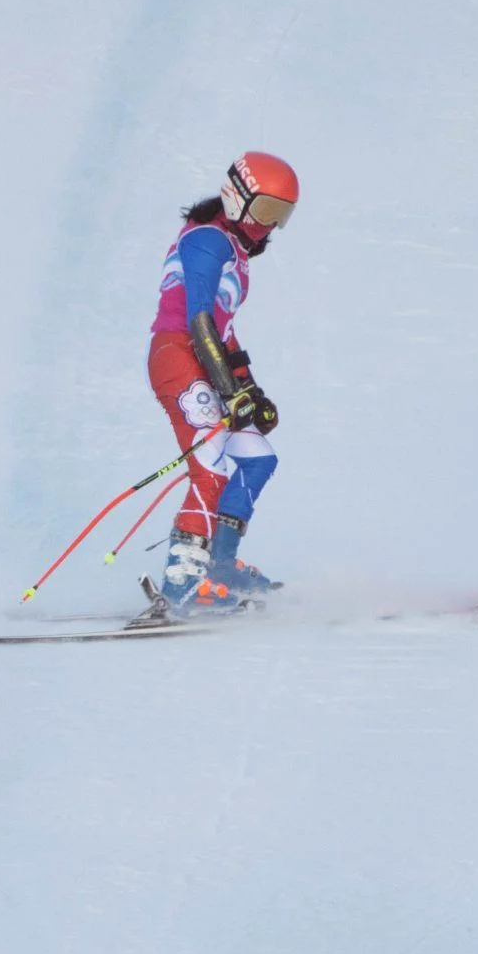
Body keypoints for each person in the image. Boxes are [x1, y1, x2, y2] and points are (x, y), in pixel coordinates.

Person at [145, 152, 298, 612]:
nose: (269, 226)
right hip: (177, 356)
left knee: (257, 460)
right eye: (265, 210)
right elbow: (199, 320)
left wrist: (251, 389)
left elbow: (224, 332)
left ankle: (219, 566)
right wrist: (231, 390)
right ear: (237, 198)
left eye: (281, 215)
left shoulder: (232, 248)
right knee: (210, 470)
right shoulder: (208, 241)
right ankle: (181, 586)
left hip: (204, 358)